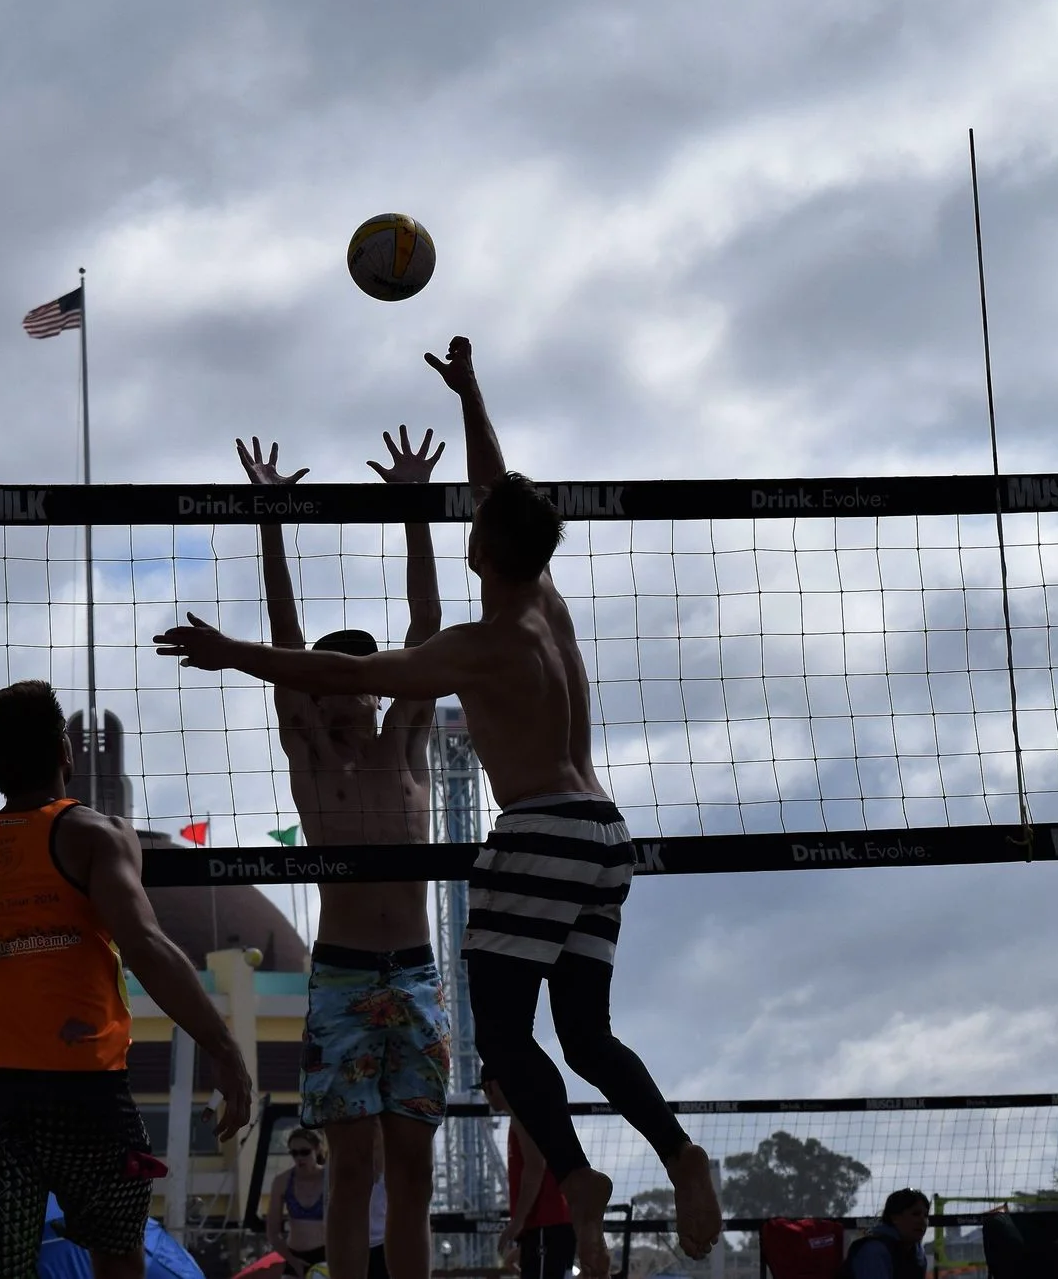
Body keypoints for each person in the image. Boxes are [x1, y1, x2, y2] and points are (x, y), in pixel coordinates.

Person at [158, 338, 719, 1279]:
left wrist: (230, 651)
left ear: (480, 547)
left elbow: (378, 645)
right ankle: (669, 1151)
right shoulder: (542, 604)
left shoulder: (452, 674)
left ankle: (574, 1174)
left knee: (496, 1049)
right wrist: (468, 397)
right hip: (596, 838)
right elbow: (495, 494)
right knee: (580, 1038)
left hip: (505, 868)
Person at [0, 680, 255, 1279]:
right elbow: (146, 947)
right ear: (65, 751)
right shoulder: (96, 835)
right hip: (84, 1089)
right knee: (117, 1252)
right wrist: (224, 1049)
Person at [239, 427, 450, 1279]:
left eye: (346, 679)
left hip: (415, 972)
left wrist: (414, 508)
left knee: (413, 1172)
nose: (331, 691)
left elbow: (427, 627)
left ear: (375, 687)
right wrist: (270, 517)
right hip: (342, 975)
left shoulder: (405, 742)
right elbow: (286, 640)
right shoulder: (313, 756)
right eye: (320, 680)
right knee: (353, 1170)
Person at [489, 1081, 574, 1279]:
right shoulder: (526, 1114)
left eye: (487, 1089)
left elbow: (536, 1165)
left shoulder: (524, 1114)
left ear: (495, 1086)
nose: (487, 1096)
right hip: (543, 1227)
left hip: (545, 1223)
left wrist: (517, 1222)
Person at [267, 1128, 331, 1277]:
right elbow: (273, 1232)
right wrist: (293, 1261)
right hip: (294, 1256)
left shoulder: (330, 1179)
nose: (299, 1158)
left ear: (317, 1149)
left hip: (326, 1256)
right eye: (294, 1153)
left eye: (305, 1152)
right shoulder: (282, 1181)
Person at [845, 1191, 931, 1279]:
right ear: (895, 1218)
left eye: (926, 1215)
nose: (923, 1221)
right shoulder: (874, 1251)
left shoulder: (918, 1252)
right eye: (915, 1214)